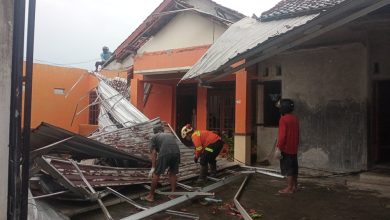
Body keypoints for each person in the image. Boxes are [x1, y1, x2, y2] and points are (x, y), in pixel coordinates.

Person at [142, 125, 181, 202]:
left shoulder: (154, 137)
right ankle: (173, 195)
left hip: (165, 152)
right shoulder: (169, 135)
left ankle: (151, 196)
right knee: (173, 173)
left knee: (156, 174)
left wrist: (153, 167)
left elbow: (153, 153)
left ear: (154, 132)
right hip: (177, 153)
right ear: (162, 130)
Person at [276, 99, 300, 194]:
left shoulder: (283, 119)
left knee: (288, 169)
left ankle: (289, 188)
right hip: (294, 147)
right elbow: (297, 133)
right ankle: (294, 186)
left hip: (286, 148)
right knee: (294, 168)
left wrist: (279, 148)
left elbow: (282, 136)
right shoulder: (295, 118)